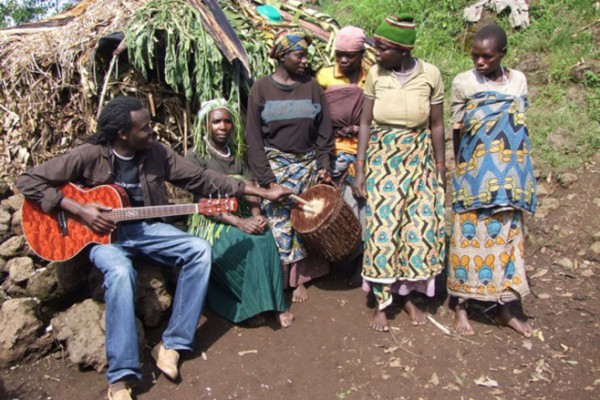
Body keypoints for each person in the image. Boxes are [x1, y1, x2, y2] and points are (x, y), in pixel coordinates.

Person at [16, 97, 291, 400]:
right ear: (123, 133)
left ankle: (172, 344)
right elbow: (27, 180)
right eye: (144, 127)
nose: (151, 131)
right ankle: (121, 377)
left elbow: (201, 178)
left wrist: (261, 191)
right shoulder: (90, 155)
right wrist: (78, 210)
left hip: (144, 228)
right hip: (103, 238)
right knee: (120, 272)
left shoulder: (156, 153)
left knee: (198, 249)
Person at [353, 15, 446, 332]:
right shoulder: (376, 75)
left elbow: (436, 125)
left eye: (382, 48)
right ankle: (381, 302)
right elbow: (365, 123)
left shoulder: (430, 74)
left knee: (414, 229)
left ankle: (406, 297)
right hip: (382, 159)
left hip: (419, 160)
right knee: (382, 229)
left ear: (403, 50)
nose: (376, 53)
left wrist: (441, 169)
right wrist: (360, 169)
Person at [448, 24, 537, 337]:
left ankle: (504, 309)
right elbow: (458, 132)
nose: (479, 62)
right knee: (467, 239)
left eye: (487, 56)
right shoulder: (463, 83)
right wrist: (461, 171)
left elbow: (519, 131)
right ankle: (460, 305)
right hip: (475, 178)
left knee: (507, 243)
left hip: (511, 178)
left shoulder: (519, 82)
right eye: (475, 55)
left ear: (503, 54)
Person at [186, 99, 294, 328]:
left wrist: (255, 214)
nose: (222, 126)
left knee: (265, 238)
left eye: (227, 121)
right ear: (205, 125)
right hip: (212, 220)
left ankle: (275, 304)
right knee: (244, 243)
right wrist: (238, 223)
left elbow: (251, 187)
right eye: (216, 121)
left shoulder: (237, 154)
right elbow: (201, 200)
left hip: (243, 213)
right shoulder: (194, 156)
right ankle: (248, 306)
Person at [245, 30, 335, 303]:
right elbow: (254, 137)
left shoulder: (311, 87)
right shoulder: (261, 88)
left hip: (307, 165)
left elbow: (324, 130)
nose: (305, 60)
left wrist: (323, 163)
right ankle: (282, 278)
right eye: (300, 54)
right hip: (276, 167)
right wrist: (267, 179)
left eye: (306, 55)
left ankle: (302, 279)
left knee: (305, 222)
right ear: (282, 57)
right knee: (280, 224)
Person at [316, 26, 368, 287]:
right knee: (336, 208)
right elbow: (320, 117)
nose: (343, 60)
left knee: (362, 207)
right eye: (339, 55)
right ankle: (335, 257)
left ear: (361, 54)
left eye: (349, 55)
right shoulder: (325, 76)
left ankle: (360, 262)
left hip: (363, 153)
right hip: (334, 151)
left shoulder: (371, 78)